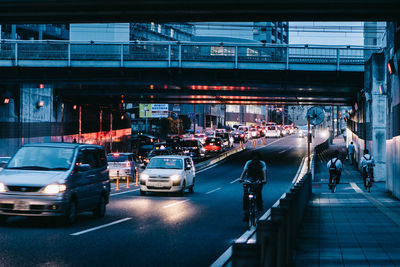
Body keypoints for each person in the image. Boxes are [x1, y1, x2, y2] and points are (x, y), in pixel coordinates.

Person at [239, 151, 267, 221]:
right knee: (245, 195)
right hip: (249, 179)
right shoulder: (248, 163)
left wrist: (264, 180)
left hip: (259, 180)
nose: (255, 160)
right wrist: (241, 178)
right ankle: (246, 212)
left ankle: (259, 207)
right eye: (254, 158)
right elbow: (244, 171)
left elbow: (264, 172)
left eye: (256, 158)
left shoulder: (262, 163)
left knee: (258, 193)